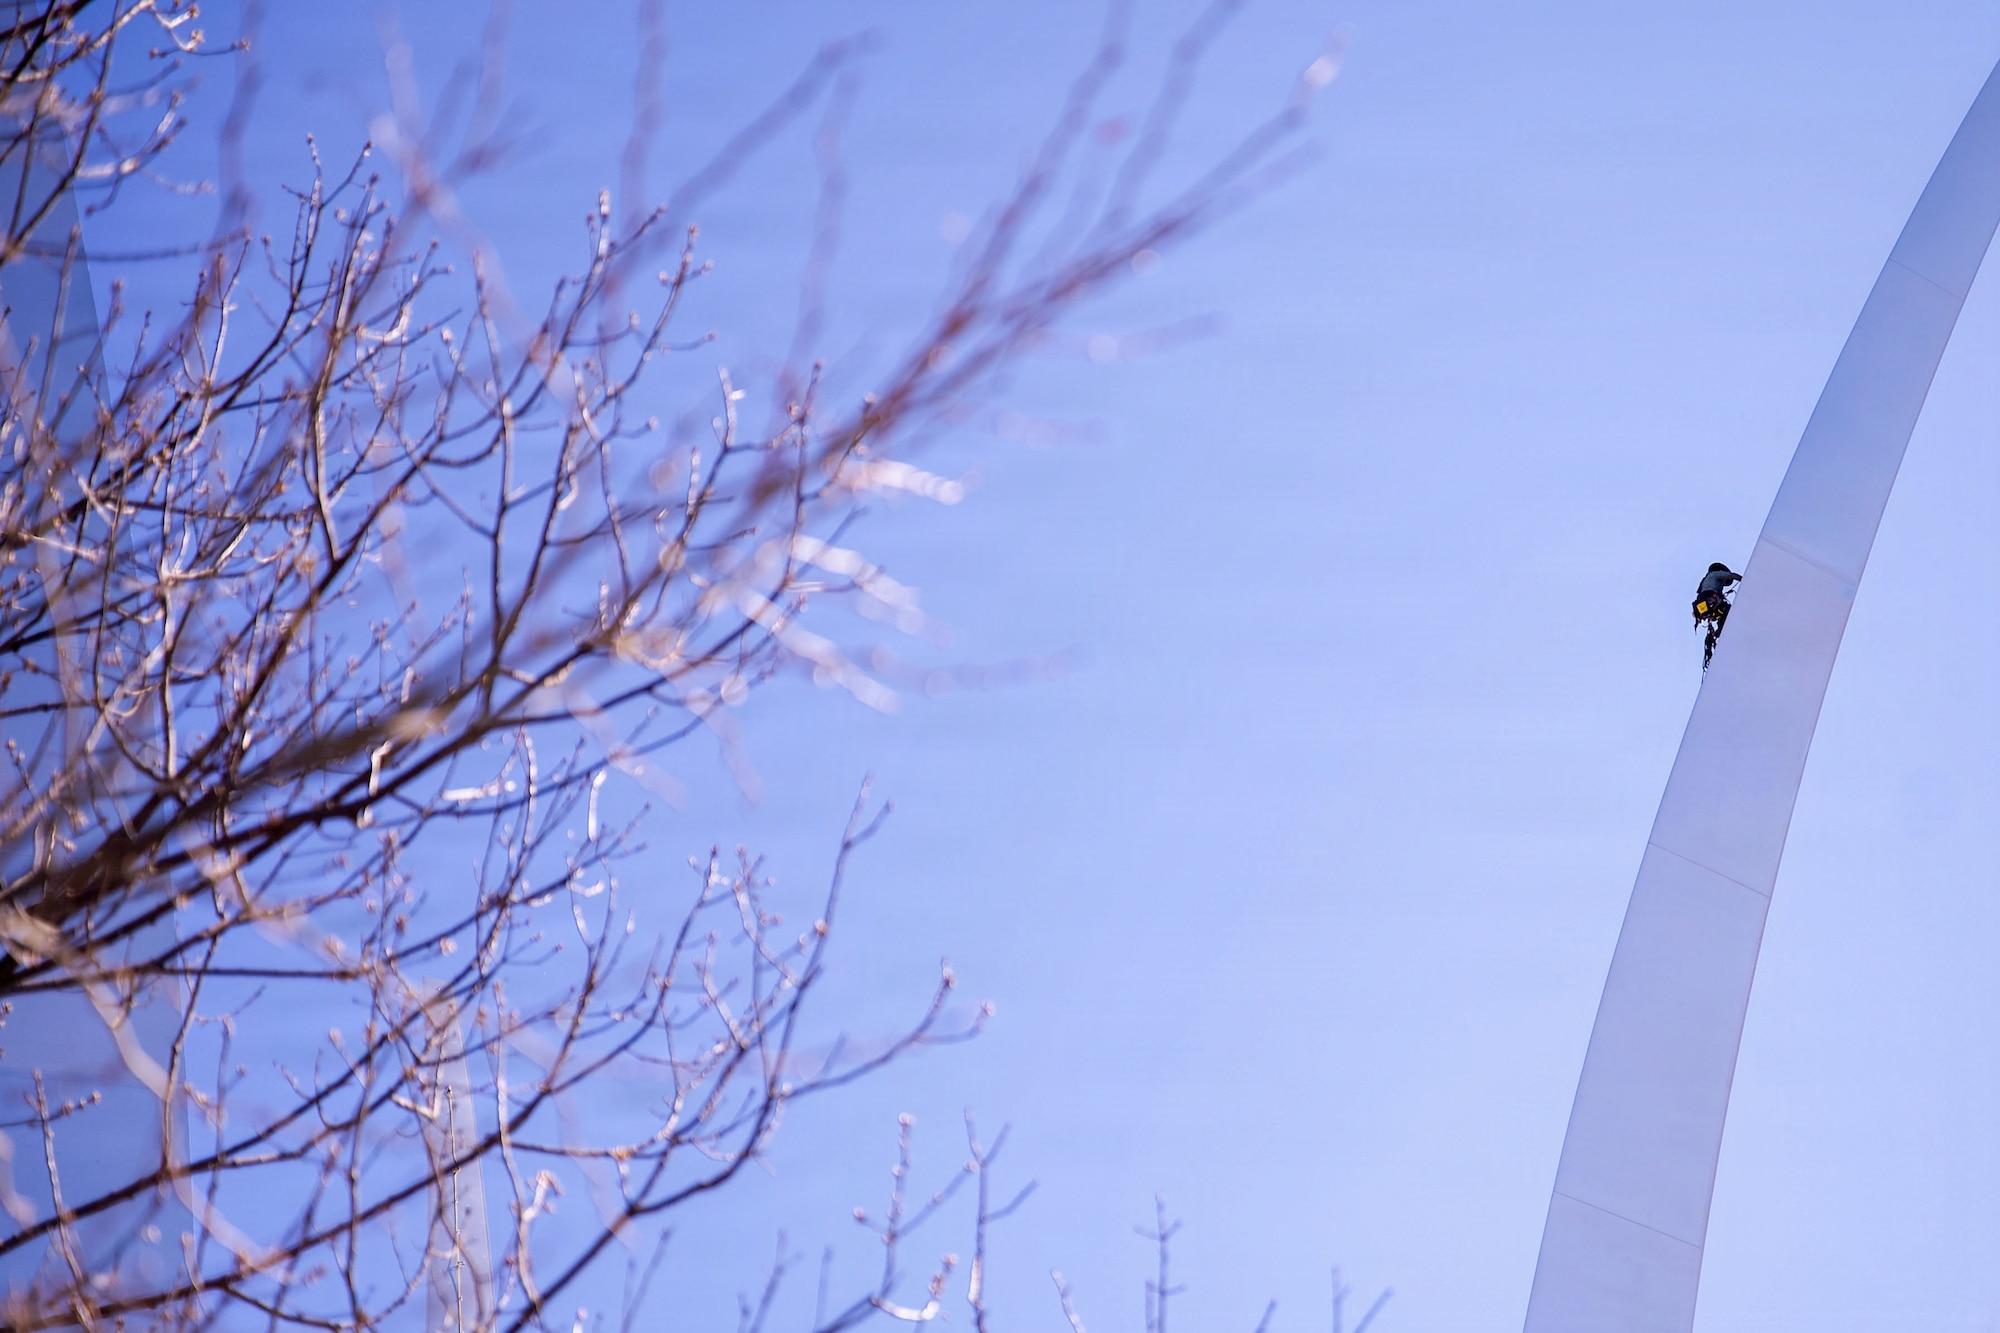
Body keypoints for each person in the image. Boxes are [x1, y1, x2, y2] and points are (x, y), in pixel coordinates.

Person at [1692, 562, 1741, 671]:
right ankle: (1721, 631)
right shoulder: (1715, 574)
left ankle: (1719, 632)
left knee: (1722, 613)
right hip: (1710, 600)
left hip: (1704, 606)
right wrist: (1746, 579)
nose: (1724, 583)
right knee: (1726, 611)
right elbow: (1731, 576)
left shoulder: (1705, 582)